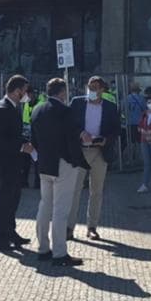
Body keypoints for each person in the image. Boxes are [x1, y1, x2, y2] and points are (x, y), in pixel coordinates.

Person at [30, 78, 87, 266]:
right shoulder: (65, 111)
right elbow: (72, 138)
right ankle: (60, 253)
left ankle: (43, 248)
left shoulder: (37, 109)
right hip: (63, 163)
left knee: (44, 205)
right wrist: (76, 159)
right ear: (62, 92)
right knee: (61, 209)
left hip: (44, 163)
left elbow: (33, 139)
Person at [68, 76, 123, 241]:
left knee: (96, 191)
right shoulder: (77, 103)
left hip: (100, 151)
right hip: (80, 151)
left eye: (95, 87)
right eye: (89, 87)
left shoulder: (111, 107)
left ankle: (92, 227)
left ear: (102, 90)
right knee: (74, 190)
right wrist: (80, 133)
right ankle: (69, 227)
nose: (91, 90)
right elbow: (69, 124)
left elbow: (117, 129)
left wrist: (107, 139)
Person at [0, 76, 34, 251]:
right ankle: (0, 238)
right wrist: (22, 146)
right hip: (5, 161)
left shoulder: (13, 107)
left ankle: (11, 232)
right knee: (5, 200)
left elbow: (14, 133)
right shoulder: (3, 108)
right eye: (24, 91)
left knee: (14, 198)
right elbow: (2, 140)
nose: (26, 95)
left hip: (13, 161)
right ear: (17, 91)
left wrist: (25, 142)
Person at [124, 81, 145, 164]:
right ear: (138, 90)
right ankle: (140, 158)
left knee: (131, 141)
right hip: (140, 122)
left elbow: (122, 109)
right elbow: (145, 109)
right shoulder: (142, 98)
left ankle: (130, 158)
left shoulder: (126, 98)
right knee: (140, 141)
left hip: (130, 122)